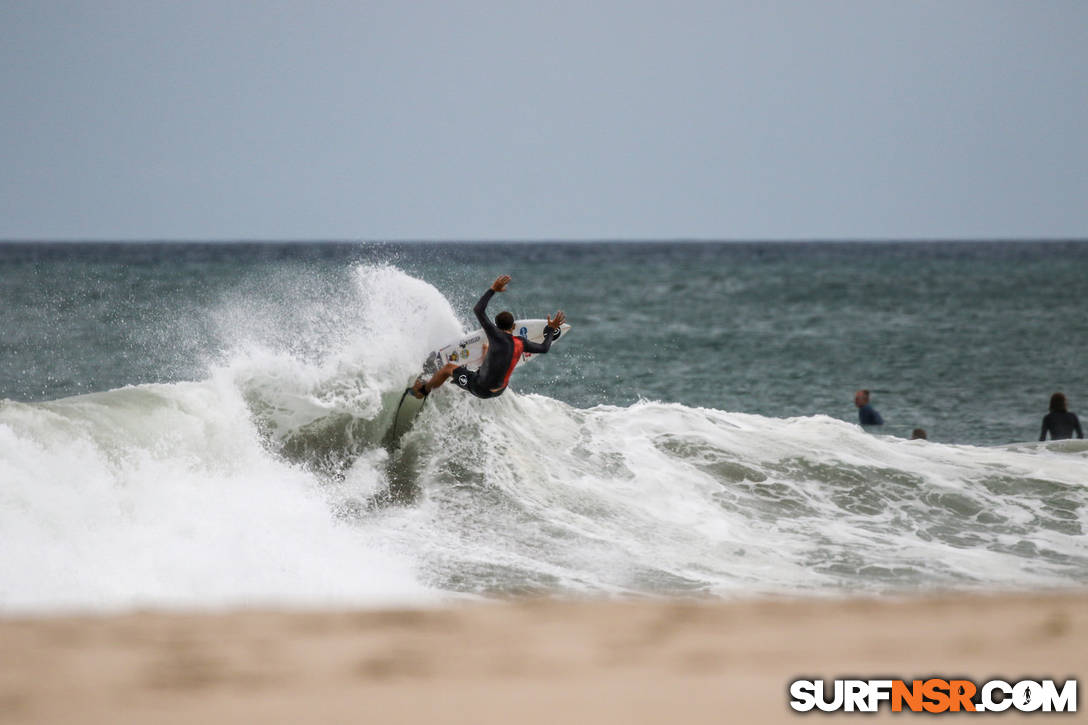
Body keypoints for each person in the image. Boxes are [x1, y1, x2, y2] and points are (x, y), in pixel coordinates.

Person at [412, 275, 565, 400]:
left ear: (497, 327)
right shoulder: (521, 342)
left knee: (448, 368)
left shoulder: (494, 335)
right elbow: (544, 348)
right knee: (489, 350)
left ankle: (423, 390)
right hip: (499, 391)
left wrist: (493, 289)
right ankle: (475, 367)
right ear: (513, 327)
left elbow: (478, 309)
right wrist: (551, 329)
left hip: (480, 388)